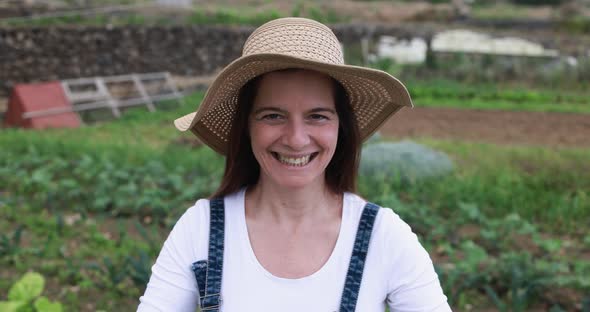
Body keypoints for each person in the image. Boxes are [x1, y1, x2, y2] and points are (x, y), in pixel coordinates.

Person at [138, 17, 451, 312]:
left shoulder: (383, 236)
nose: (297, 139)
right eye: (273, 116)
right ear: (246, 126)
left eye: (317, 116)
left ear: (340, 127)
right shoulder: (200, 229)